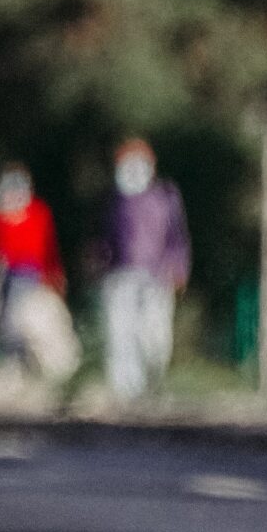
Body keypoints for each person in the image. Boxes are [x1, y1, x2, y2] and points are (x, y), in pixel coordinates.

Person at [98, 138, 190, 403]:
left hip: (157, 275)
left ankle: (152, 385)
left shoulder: (166, 196)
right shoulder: (112, 199)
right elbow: (104, 239)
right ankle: (125, 390)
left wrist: (178, 267)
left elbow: (177, 237)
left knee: (155, 335)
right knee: (121, 333)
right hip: (120, 275)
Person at [0, 165, 77, 382]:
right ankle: (10, 364)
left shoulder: (38, 212)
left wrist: (54, 274)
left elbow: (48, 247)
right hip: (3, 274)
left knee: (21, 321)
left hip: (30, 275)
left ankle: (26, 366)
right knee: (3, 320)